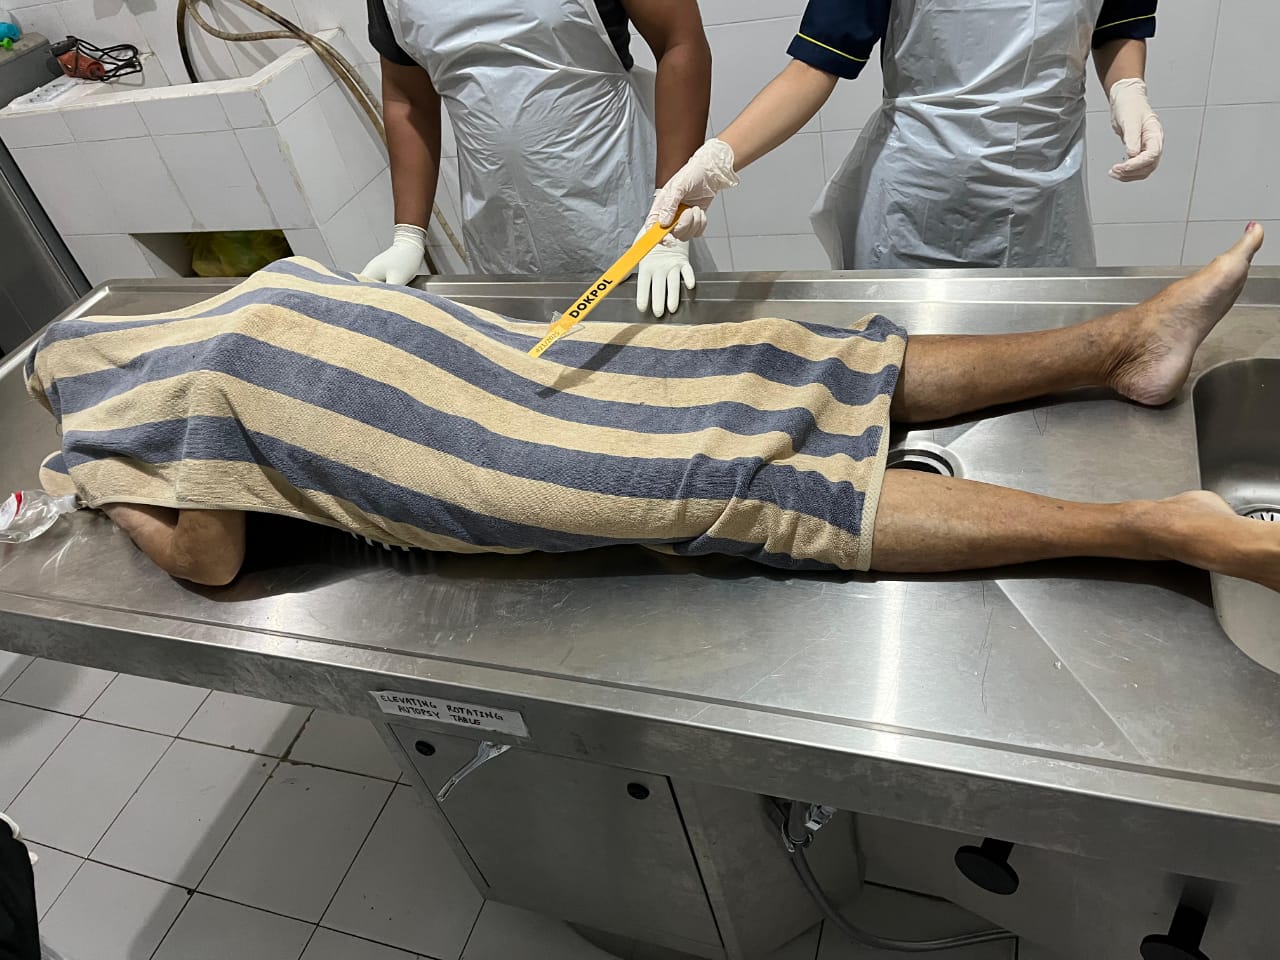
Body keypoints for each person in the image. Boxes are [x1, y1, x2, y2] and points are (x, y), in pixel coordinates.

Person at [23, 225, 1274, 597]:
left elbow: (208, 555)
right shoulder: (229, 303)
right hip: (484, 374)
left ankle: (1138, 484)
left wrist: (103, 490)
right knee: (765, 370)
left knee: (737, 468)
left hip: (471, 421)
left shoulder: (120, 415)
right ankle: (1120, 380)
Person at [648, 0, 1164, 304]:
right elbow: (813, 67)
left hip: (1046, 200)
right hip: (919, 204)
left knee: (1041, 372)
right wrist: (714, 162)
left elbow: (1118, 27)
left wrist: (1128, 88)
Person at [360, 0, 715, 317]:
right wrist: (408, 234)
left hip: (623, 204)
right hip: (501, 229)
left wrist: (669, 216)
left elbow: (680, 40)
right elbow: (408, 96)